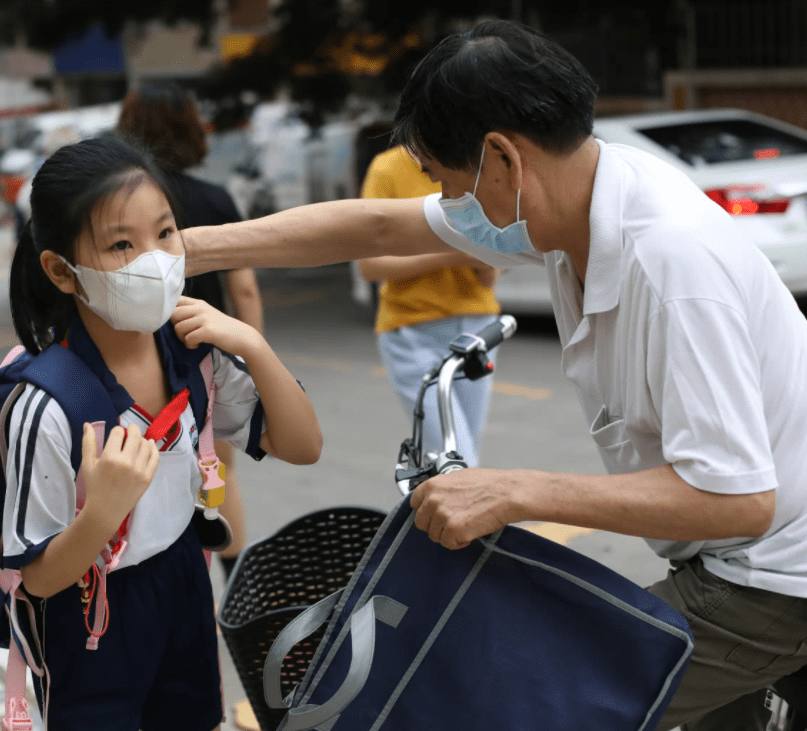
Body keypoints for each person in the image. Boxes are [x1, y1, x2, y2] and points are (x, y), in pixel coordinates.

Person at [178, 19, 807, 731]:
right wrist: (184, 249)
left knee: (528, 704)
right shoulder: (585, 196)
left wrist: (513, 489)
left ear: (501, 158)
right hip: (728, 559)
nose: (448, 204)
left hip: (774, 578)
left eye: (446, 182)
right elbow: (378, 229)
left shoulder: (669, 266)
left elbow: (738, 500)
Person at [4, 134, 321, 731]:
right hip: (91, 613)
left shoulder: (193, 356)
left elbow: (303, 447)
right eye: (121, 244)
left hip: (182, 578)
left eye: (165, 233)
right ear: (61, 271)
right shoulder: (45, 404)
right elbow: (38, 575)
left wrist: (250, 342)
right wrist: (102, 514)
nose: (154, 259)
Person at [117, 80, 264, 581]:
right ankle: (237, 595)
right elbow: (243, 291)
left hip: (136, 362)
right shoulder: (214, 199)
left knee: (143, 485)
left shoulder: (117, 204)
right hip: (206, 360)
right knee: (217, 476)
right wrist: (251, 360)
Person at [357, 144, 500, 467]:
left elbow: (488, 278)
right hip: (411, 331)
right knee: (460, 461)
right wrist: (451, 254)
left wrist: (485, 257)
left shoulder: (474, 159)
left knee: (454, 460)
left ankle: (431, 515)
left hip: (478, 329)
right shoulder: (387, 168)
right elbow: (370, 267)